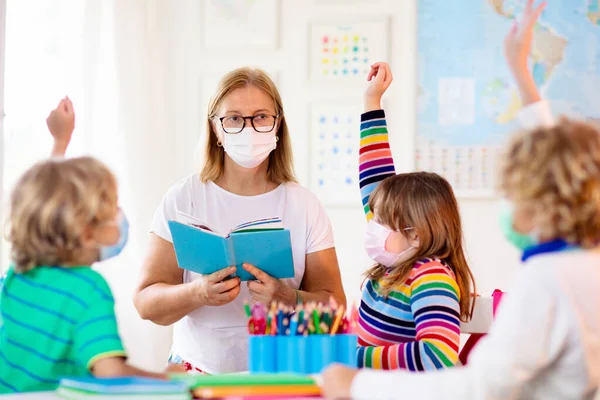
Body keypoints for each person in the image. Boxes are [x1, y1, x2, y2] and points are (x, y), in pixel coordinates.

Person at [322, 1, 600, 398]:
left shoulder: (548, 281)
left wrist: (359, 382)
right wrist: (521, 72)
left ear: (543, 203)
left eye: (511, 192)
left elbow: (476, 386)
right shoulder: (582, 262)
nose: (505, 202)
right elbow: (561, 166)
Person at [134, 68, 346, 374]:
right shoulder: (183, 198)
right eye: (233, 118)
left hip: (281, 376)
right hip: (196, 371)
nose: (248, 128)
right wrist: (198, 292)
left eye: (261, 117)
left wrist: (287, 297)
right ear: (215, 129)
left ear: (278, 124)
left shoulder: (304, 205)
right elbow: (145, 302)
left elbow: (335, 307)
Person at [0, 98, 165, 394]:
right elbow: (110, 373)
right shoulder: (88, 290)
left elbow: (46, 201)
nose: (121, 216)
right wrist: (170, 380)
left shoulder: (22, 271)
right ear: (86, 233)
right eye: (113, 208)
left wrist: (60, 142)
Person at [355, 62, 475, 371]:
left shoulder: (429, 276)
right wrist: (372, 102)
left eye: (381, 221)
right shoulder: (395, 263)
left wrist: (356, 357)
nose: (373, 225)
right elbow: (374, 181)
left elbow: (438, 357)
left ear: (417, 234)